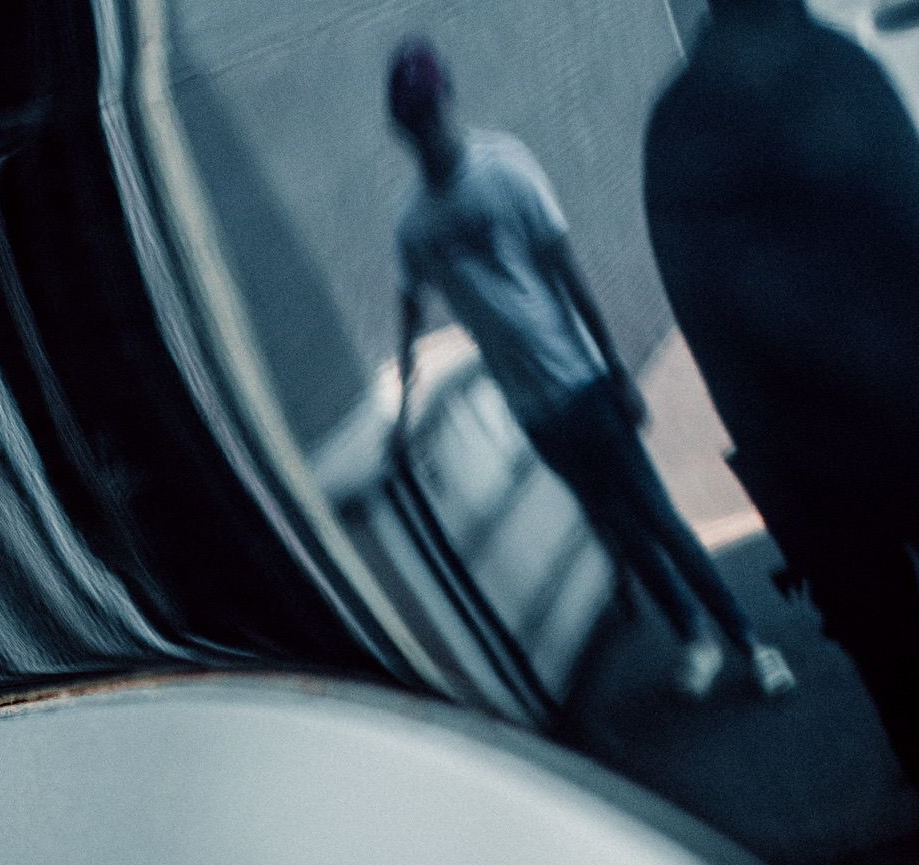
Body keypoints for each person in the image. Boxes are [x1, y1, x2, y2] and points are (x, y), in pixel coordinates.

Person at [387, 40, 794, 703]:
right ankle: (695, 637)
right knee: (625, 533)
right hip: (535, 414)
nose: (426, 127)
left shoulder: (505, 171)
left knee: (659, 519)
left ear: (447, 100)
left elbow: (565, 272)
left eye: (430, 109)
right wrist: (403, 417)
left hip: (583, 388)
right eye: (413, 118)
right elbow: (408, 312)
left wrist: (616, 372)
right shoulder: (414, 226)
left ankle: (750, 641)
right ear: (402, 128)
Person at [646, 0, 919, 776]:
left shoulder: (676, 125)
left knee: (900, 679)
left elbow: (712, 343)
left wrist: (785, 495)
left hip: (818, 476)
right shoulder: (836, 69)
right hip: (908, 420)